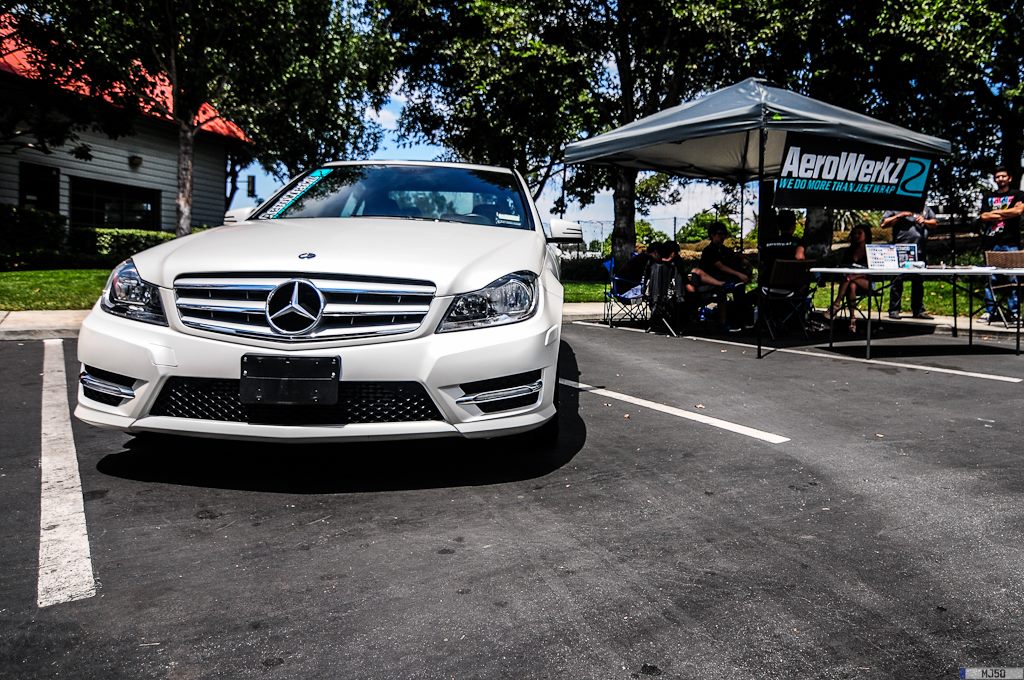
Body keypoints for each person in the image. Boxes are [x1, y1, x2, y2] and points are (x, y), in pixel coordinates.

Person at [979, 166, 1024, 320]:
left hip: (1011, 243)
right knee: (990, 278)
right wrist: (1008, 213)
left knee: (1013, 279)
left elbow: (1018, 211)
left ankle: (1014, 312)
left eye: (1003, 176)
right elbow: (983, 216)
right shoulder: (988, 196)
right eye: (998, 177)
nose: (1000, 179)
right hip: (991, 243)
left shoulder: (1018, 194)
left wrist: (995, 213)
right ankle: (989, 311)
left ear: (1009, 178)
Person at [881, 207, 936, 319]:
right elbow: (883, 224)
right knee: (897, 280)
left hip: (920, 250)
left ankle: (918, 310)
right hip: (902, 249)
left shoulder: (925, 208)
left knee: (918, 281)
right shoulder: (897, 207)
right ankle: (894, 309)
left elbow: (934, 223)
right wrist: (900, 215)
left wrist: (924, 221)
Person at [695, 221, 751, 331]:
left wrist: (743, 260)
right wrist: (739, 274)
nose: (722, 237)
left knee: (739, 287)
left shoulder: (725, 250)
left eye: (724, 234)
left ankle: (741, 320)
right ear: (712, 235)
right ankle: (724, 322)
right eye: (720, 234)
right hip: (710, 281)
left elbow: (733, 259)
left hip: (723, 280)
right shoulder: (709, 250)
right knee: (724, 290)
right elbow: (720, 266)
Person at [822, 223, 872, 332]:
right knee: (851, 286)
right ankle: (852, 319)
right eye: (855, 233)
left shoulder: (870, 251)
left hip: (867, 281)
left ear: (866, 235)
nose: (856, 236)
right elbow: (844, 267)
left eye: (860, 233)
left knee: (848, 279)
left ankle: (836, 304)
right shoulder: (849, 251)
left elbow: (870, 272)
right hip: (851, 281)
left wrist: (853, 276)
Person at [760, 210, 806, 280]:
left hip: (769, 282)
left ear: (778, 226)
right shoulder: (798, 242)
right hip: (792, 282)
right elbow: (800, 257)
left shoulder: (766, 243)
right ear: (794, 226)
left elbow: (762, 261)